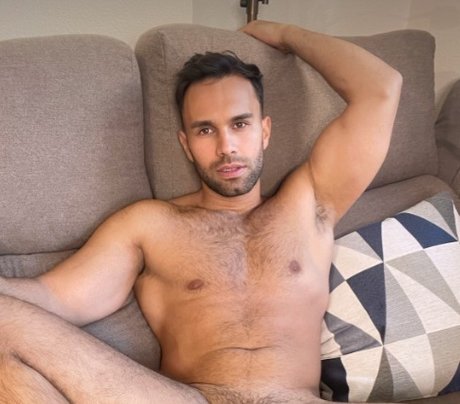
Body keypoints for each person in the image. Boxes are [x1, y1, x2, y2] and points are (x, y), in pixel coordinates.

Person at [0, 20, 402, 403]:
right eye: (206, 130)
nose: (226, 147)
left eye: (240, 124)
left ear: (264, 131)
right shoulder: (150, 224)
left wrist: (285, 34)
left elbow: (381, 88)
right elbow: (56, 297)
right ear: (186, 144)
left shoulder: (308, 203)